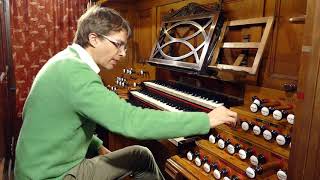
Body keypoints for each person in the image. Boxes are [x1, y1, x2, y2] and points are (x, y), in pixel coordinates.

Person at [14, 5, 238, 180]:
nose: (122, 53)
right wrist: (205, 119)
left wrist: (95, 145)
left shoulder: (63, 60)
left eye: (124, 46)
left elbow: (54, 120)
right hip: (52, 175)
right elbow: (130, 121)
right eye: (117, 44)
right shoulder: (76, 74)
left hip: (32, 169)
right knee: (141, 156)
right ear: (93, 38)